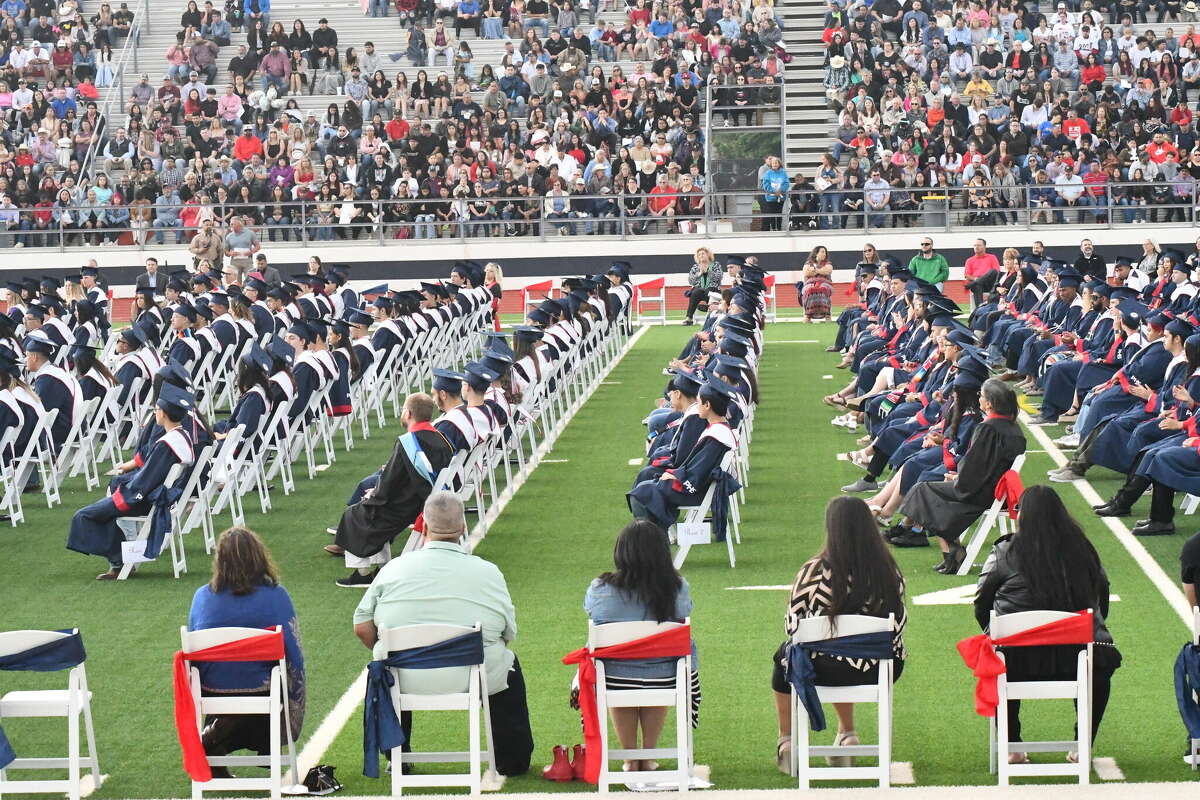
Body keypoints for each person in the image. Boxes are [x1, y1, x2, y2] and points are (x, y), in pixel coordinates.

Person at [352, 490, 534, 776]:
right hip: (472, 673)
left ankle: (397, 754)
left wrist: (393, 648)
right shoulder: (488, 572)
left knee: (385, 664)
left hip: (403, 676)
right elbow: (506, 633)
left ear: (422, 526)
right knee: (507, 665)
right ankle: (512, 759)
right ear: (462, 529)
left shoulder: (393, 570)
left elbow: (362, 627)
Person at [974, 485, 1120, 759]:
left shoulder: (1004, 552)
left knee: (996, 659)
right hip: (1077, 658)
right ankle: (1082, 744)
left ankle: (1011, 746)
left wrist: (994, 633)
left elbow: (982, 603)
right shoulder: (1085, 551)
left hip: (1016, 660)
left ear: (1022, 516)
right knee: (1099, 663)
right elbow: (1103, 596)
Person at [770, 496, 906, 772]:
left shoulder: (813, 572)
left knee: (785, 655)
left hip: (822, 668)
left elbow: (792, 627)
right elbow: (899, 623)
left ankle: (787, 740)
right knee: (842, 653)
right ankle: (847, 733)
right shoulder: (888, 571)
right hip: (879, 667)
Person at [187, 527, 305, 777]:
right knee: (283, 680)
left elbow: (193, 651)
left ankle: (216, 735)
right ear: (259, 557)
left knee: (255, 681)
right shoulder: (276, 596)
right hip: (262, 686)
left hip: (210, 688)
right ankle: (253, 742)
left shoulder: (202, 597)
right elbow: (293, 652)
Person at [584, 519, 698, 773]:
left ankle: (630, 757)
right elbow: (685, 614)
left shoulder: (600, 589)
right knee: (663, 660)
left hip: (612, 678)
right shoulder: (677, 588)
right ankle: (647, 754)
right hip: (667, 677)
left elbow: (591, 614)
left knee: (619, 669)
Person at [66, 383, 197, 579]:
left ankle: (120, 559)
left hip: (145, 500)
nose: (155, 413)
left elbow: (145, 481)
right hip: (155, 496)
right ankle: (118, 561)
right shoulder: (182, 436)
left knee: (83, 516)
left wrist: (120, 492)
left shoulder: (167, 444)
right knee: (104, 510)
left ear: (164, 413)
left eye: (157, 409)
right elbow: (149, 475)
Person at [896, 378, 1026, 572]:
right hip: (995, 490)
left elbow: (975, 466)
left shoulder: (987, 428)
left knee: (923, 490)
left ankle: (951, 550)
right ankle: (950, 548)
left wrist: (958, 478)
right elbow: (985, 466)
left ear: (989, 403)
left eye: (981, 396)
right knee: (928, 489)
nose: (979, 399)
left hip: (980, 491)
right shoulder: (1014, 428)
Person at [332, 393, 456, 587]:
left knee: (354, 514)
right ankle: (382, 567)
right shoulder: (443, 439)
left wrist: (372, 496)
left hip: (405, 505)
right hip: (424, 501)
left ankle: (363, 573)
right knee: (370, 509)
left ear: (408, 413)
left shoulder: (408, 442)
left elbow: (389, 482)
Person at [684, 247, 722, 326]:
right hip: (699, 290)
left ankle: (708, 309)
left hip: (713, 289)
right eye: (699, 254)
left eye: (703, 254)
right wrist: (699, 274)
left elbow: (718, 278)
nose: (701, 256)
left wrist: (708, 272)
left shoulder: (715, 265)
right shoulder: (695, 267)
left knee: (709, 290)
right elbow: (691, 281)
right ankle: (689, 318)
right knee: (696, 292)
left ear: (708, 255)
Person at [799, 245, 834, 323]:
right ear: (816, 253)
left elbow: (828, 271)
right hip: (810, 283)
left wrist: (815, 270)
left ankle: (827, 315)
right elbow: (806, 273)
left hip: (825, 283)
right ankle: (808, 316)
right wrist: (820, 270)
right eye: (822, 252)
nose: (824, 254)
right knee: (810, 289)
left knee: (823, 289)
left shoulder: (828, 263)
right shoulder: (808, 263)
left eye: (825, 252)